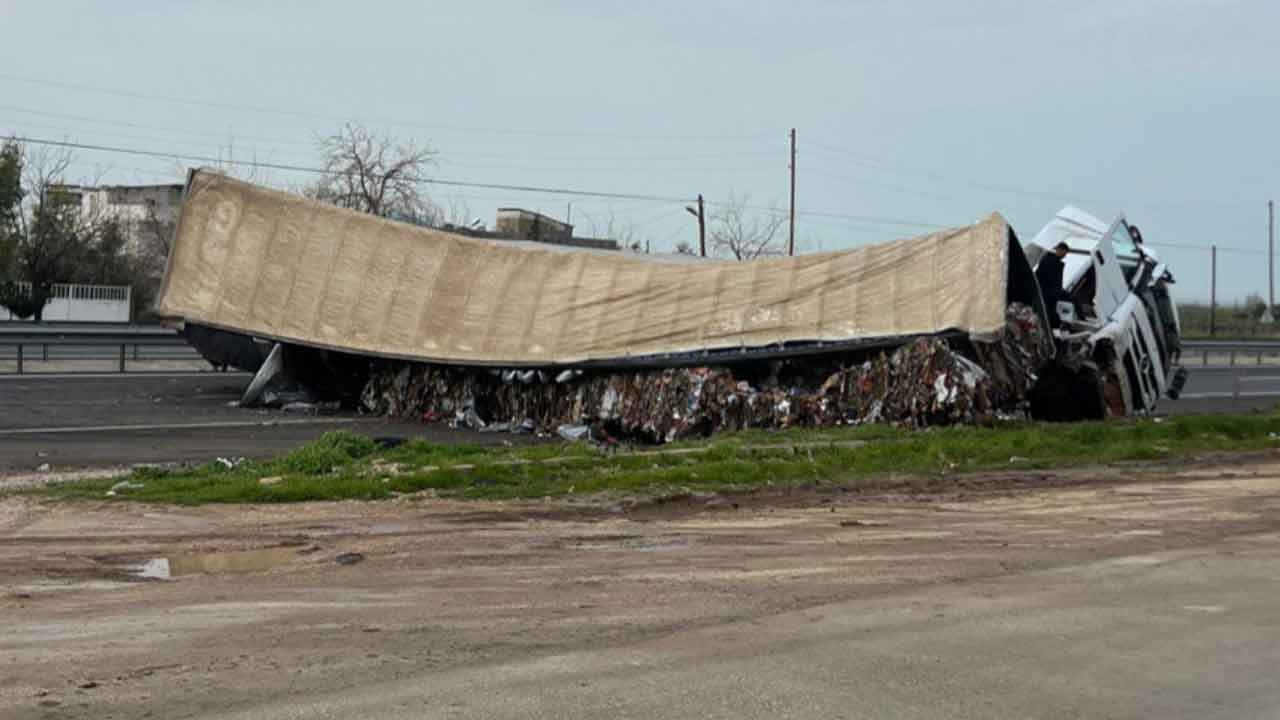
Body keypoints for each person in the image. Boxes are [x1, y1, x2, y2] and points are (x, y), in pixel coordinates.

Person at [1035, 241, 1073, 329]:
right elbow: (1052, 279)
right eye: (1064, 253)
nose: (1065, 255)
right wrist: (1057, 291)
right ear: (1059, 250)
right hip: (1048, 293)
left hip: (1048, 292)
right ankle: (1056, 329)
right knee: (1050, 313)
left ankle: (1055, 328)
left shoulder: (1049, 259)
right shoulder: (1051, 261)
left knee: (1050, 312)